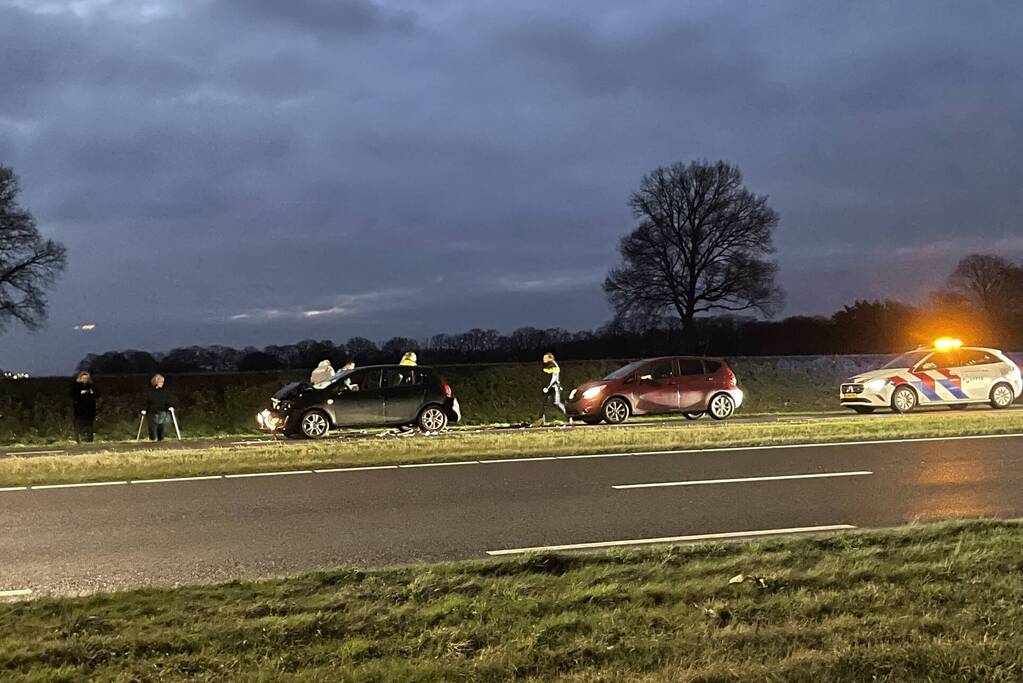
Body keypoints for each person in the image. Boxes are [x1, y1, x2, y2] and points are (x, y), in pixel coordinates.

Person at [532, 352, 566, 427]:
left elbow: (554, 378)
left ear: (550, 358)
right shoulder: (547, 366)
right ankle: (540, 421)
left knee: (556, 403)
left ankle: (569, 416)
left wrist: (548, 387)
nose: (543, 359)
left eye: (545, 358)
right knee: (543, 404)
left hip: (554, 387)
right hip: (549, 387)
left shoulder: (554, 365)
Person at [144, 374, 177, 441]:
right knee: (152, 428)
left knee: (161, 428)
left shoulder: (165, 392)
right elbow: (145, 401)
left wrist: (171, 406)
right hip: (152, 413)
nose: (162, 383)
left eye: (162, 382)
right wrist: (143, 409)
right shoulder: (150, 392)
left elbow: (169, 400)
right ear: (156, 382)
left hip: (163, 412)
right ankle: (153, 440)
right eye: (160, 382)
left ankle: (161, 441)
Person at [69, 370, 99, 443]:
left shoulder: (91, 386)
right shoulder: (76, 386)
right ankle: (79, 439)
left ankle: (89, 439)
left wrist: (92, 393)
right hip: (79, 409)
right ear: (80, 378)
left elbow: (97, 394)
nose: (84, 380)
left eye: (86, 378)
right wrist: (80, 393)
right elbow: (72, 395)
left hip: (90, 409)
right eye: (83, 378)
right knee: (79, 424)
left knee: (89, 424)